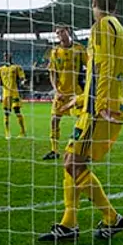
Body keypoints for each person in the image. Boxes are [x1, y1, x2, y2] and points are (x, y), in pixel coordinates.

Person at [38, 0, 123, 241]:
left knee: (72, 162)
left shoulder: (101, 27)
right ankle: (69, 224)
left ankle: (112, 218)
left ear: (93, 3)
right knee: (70, 160)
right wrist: (79, 100)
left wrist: (96, 107)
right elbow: (100, 72)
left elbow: (103, 71)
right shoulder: (118, 29)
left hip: (100, 110)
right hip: (101, 105)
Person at [43, 26, 87, 160]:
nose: (59, 35)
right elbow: (52, 73)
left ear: (68, 31)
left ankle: (82, 150)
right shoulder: (55, 51)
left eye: (62, 31)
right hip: (61, 94)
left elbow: (90, 66)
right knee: (54, 120)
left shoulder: (79, 49)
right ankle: (54, 150)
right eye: (57, 33)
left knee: (84, 121)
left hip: (76, 93)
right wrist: (56, 91)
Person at [0, 52, 27, 139]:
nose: (6, 57)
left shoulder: (16, 67)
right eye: (4, 56)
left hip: (14, 93)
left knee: (17, 112)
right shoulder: (1, 69)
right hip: (6, 94)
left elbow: (22, 77)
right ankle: (7, 133)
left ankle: (23, 131)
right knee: (6, 113)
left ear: (11, 56)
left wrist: (23, 81)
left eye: (8, 55)